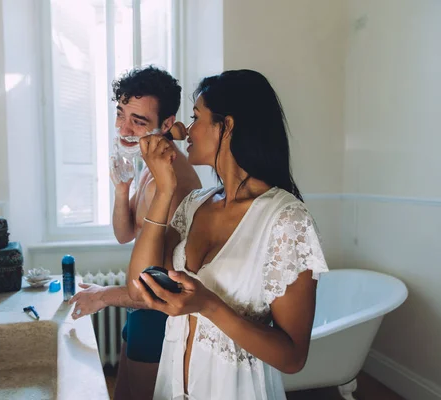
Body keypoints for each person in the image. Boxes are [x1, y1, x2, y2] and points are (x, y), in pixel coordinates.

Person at [127, 69, 329, 400]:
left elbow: (293, 357)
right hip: (173, 386)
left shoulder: (287, 220)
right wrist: (164, 189)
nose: (187, 129)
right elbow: (140, 286)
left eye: (196, 118)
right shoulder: (194, 204)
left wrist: (208, 304)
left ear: (227, 125)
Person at [69, 66, 201, 400]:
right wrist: (121, 188)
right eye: (120, 114)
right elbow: (125, 233)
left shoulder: (176, 182)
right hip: (139, 311)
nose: (124, 128)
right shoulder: (148, 167)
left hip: (160, 319)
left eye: (138, 121)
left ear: (167, 124)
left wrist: (101, 296)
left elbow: (159, 287)